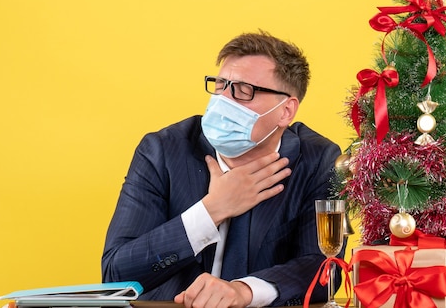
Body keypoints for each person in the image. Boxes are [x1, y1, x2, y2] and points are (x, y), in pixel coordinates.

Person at [102, 30, 344, 308]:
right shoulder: (162, 151)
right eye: (220, 85)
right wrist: (211, 210)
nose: (224, 101)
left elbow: (327, 269)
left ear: (286, 111)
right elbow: (115, 275)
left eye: (244, 90)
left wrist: (244, 291)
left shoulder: (318, 160)